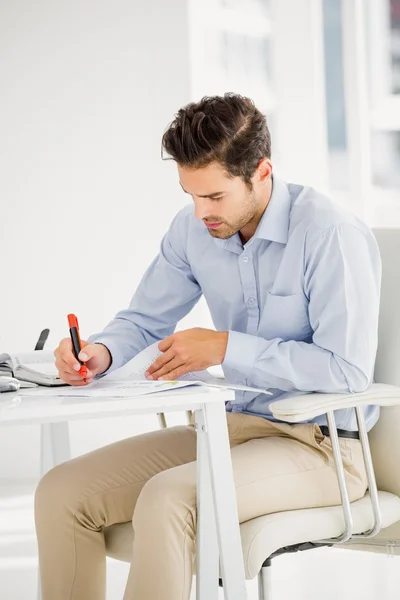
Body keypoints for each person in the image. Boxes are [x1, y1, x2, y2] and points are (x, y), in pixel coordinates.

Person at [35, 93, 381, 600]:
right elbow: (144, 318)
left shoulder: (329, 234)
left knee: (169, 499)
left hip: (323, 448)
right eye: (190, 195)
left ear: (261, 172)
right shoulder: (193, 229)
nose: (200, 212)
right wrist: (101, 353)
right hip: (226, 431)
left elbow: (347, 373)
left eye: (214, 197)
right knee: (61, 492)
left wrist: (225, 347)